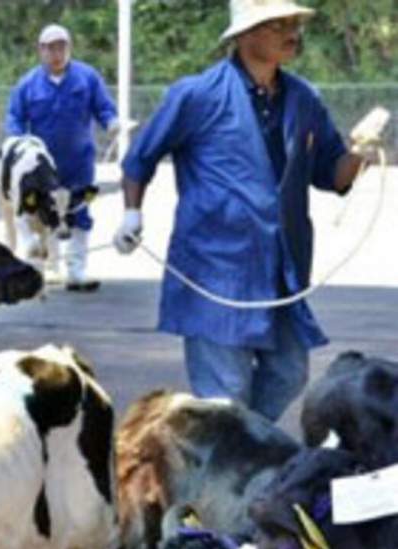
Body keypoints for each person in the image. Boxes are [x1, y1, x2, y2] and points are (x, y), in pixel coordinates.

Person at [113, 0, 370, 421]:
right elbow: (140, 157)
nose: (293, 32)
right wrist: (131, 213)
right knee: (226, 391)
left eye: (294, 24)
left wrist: (361, 151)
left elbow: (334, 175)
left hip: (281, 269)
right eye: (278, 25)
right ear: (246, 35)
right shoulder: (196, 95)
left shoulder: (305, 99)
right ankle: (233, 460)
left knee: (289, 372)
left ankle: (236, 446)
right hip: (216, 267)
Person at [5, 23, 120, 292]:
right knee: (46, 213)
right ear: (40, 50)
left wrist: (112, 122)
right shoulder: (28, 84)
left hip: (80, 162)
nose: (56, 53)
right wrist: (17, 142)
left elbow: (103, 108)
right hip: (43, 167)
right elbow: (15, 118)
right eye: (49, 48)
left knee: (80, 212)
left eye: (61, 46)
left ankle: (77, 271)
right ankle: (51, 266)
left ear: (69, 48)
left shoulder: (87, 78)